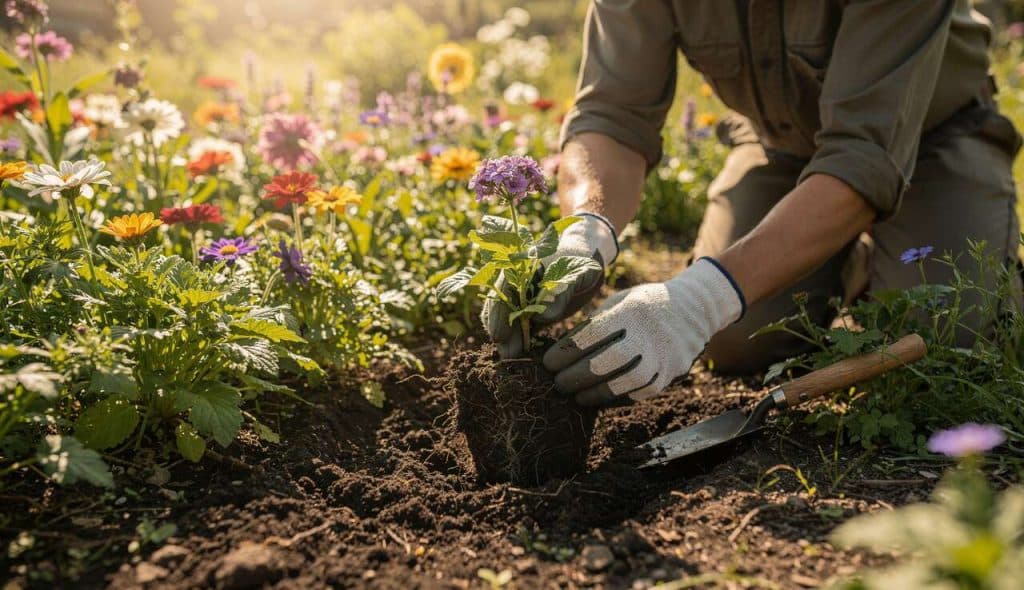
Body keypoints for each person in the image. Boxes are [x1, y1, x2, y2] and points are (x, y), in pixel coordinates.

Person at [482, 0, 1022, 406]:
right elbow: (611, 117)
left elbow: (864, 157)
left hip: (936, 134)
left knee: (940, 334)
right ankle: (848, 258)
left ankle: (897, 246)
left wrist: (699, 298)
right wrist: (587, 227)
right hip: (783, 144)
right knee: (733, 339)